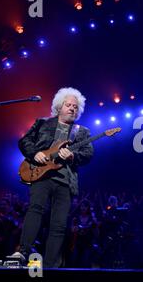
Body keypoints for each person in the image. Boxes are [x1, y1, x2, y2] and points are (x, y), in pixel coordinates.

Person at [11, 87, 94, 267]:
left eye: (75, 106)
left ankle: (50, 265)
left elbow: (88, 154)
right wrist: (35, 154)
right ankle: (23, 251)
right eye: (68, 105)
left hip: (65, 181)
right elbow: (24, 141)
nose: (72, 108)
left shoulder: (82, 132)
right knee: (35, 210)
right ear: (59, 107)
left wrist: (73, 156)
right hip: (41, 175)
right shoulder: (42, 123)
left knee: (59, 223)